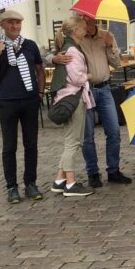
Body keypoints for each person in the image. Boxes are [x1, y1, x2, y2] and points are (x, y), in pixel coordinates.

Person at [50, 17, 132, 188]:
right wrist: (53, 59)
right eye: (84, 18)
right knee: (87, 136)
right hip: (85, 90)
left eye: (91, 17)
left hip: (105, 88)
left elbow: (116, 63)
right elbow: (55, 53)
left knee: (114, 131)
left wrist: (110, 46)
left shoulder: (106, 36)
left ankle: (113, 170)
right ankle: (92, 172)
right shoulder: (76, 40)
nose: (88, 20)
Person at [0, 10, 45, 204]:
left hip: (29, 100)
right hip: (7, 101)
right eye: (11, 23)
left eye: (18, 23)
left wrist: (40, 93)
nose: (15, 26)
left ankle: (31, 183)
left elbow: (40, 70)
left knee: (31, 144)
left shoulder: (29, 45)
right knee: (9, 146)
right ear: (2, 24)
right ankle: (12, 186)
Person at [49, 17, 96, 197]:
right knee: (73, 143)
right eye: (83, 28)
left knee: (71, 141)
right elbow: (77, 78)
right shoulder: (73, 51)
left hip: (69, 97)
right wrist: (89, 75)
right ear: (76, 30)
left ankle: (60, 180)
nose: (86, 30)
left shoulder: (69, 47)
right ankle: (70, 184)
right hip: (73, 99)